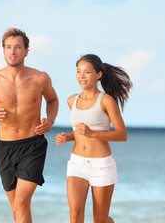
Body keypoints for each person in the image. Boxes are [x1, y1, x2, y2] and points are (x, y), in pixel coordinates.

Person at [0, 27, 59, 223]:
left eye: (18, 47)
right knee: (16, 208)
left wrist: (50, 120)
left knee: (20, 204)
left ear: (26, 50)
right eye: (9, 47)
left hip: (33, 145)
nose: (13, 51)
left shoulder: (40, 78)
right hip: (5, 147)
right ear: (3, 50)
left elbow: (52, 100)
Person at [55, 54, 132, 223]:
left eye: (87, 72)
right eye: (78, 72)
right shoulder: (71, 101)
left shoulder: (106, 101)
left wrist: (93, 133)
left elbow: (122, 134)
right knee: (75, 215)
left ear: (98, 75)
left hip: (101, 165)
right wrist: (66, 137)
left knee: (100, 220)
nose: (81, 76)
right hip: (77, 163)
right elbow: (79, 132)